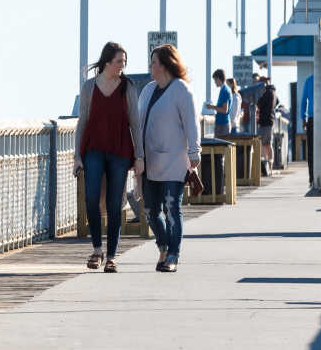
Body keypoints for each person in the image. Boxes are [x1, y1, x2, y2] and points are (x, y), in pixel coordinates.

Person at [73, 41, 143, 273]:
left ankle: (111, 256)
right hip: (93, 149)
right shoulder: (89, 87)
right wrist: (77, 156)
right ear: (106, 62)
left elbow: (135, 123)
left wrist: (139, 156)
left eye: (124, 62)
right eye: (118, 62)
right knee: (91, 198)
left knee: (115, 204)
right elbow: (82, 122)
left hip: (120, 151)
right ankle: (96, 249)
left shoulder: (128, 87)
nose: (122, 66)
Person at [139, 45, 201, 273]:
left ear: (165, 65)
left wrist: (195, 153)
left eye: (153, 62)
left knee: (172, 208)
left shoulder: (182, 90)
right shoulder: (147, 90)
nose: (150, 67)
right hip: (149, 161)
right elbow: (138, 123)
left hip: (175, 160)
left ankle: (173, 254)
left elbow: (192, 124)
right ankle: (163, 245)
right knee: (150, 210)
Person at [257, 76, 278, 168]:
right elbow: (277, 102)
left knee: (264, 144)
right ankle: (270, 165)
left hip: (265, 121)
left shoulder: (266, 93)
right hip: (270, 120)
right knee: (268, 144)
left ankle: (265, 166)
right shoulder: (273, 92)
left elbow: (259, 103)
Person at [205, 69, 231, 135]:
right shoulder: (225, 89)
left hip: (222, 125)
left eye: (215, 80)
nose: (215, 82)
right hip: (223, 123)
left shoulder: (224, 91)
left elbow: (224, 110)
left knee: (220, 144)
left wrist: (211, 107)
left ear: (219, 79)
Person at [301, 73, 315, 187]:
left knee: (311, 150)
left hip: (312, 118)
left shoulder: (309, 80)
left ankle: (312, 179)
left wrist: (303, 118)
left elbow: (303, 101)